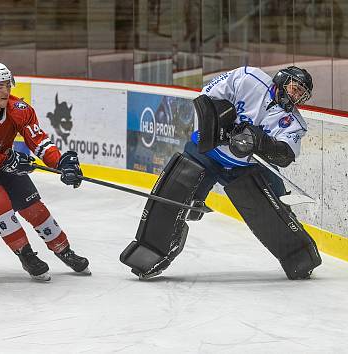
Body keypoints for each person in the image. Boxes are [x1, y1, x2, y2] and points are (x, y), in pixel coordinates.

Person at [120, 65, 322, 280]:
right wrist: (224, 128)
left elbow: (285, 155)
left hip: (244, 168)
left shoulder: (295, 123)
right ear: (282, 79)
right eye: (295, 88)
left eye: (301, 94)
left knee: (272, 213)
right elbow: (206, 98)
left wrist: (260, 142)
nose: (296, 95)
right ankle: (149, 252)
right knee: (172, 197)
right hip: (207, 153)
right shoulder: (248, 77)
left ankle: (299, 258)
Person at [0, 62, 89, 281]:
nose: (4, 90)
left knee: (32, 205)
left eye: (6, 84)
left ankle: (63, 249)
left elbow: (39, 141)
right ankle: (26, 254)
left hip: (0, 159)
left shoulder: (19, 109)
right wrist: (9, 161)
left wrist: (61, 163)